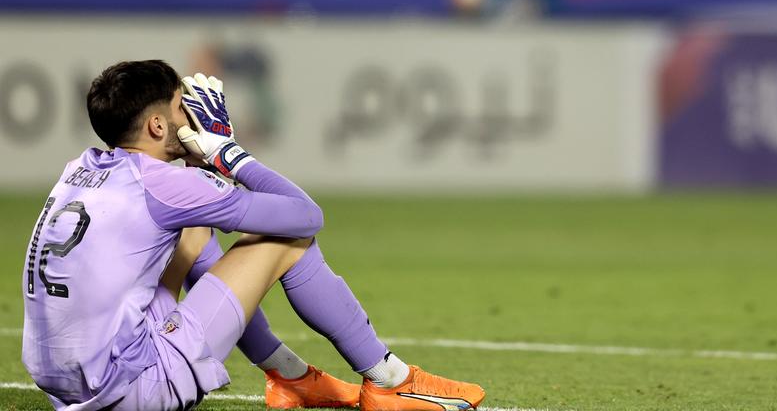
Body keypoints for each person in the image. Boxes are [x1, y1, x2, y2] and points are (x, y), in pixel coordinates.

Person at [22, 60, 486, 411]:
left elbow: (192, 250)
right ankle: (388, 380)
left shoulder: (81, 170)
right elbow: (304, 216)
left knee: (192, 241)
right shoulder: (165, 184)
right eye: (184, 105)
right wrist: (230, 154)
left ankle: (288, 376)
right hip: (133, 388)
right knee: (286, 241)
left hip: (68, 388)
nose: (194, 114)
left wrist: (200, 171)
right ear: (158, 125)